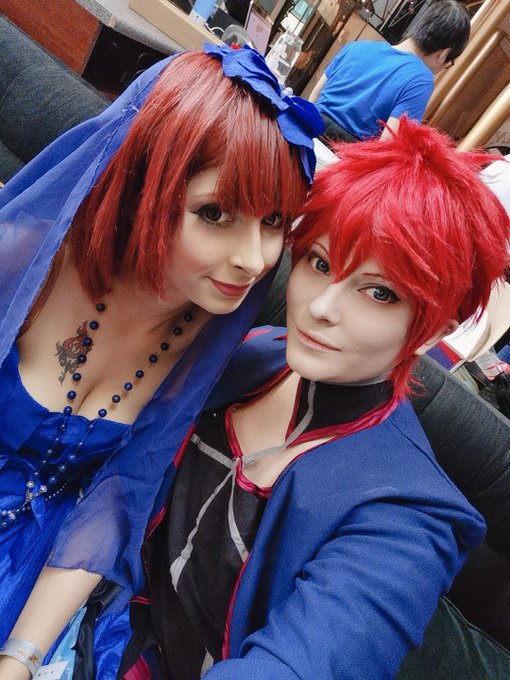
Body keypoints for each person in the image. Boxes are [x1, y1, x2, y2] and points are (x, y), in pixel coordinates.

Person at [116, 117, 510, 679]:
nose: (321, 307)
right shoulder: (253, 350)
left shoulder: (408, 519)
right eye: (320, 263)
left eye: (379, 293)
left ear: (432, 329)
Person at [0, 44, 323, 679]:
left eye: (274, 221)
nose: (254, 259)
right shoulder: (28, 259)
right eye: (215, 213)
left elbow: (111, 503)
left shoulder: (210, 333)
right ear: (146, 186)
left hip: (44, 567)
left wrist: (20, 658)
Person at [309, 0, 470, 142]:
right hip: (336, 159)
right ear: (443, 54)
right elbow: (387, 144)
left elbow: (313, 98)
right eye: (447, 64)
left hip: (304, 138)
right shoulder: (421, 80)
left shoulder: (355, 47)